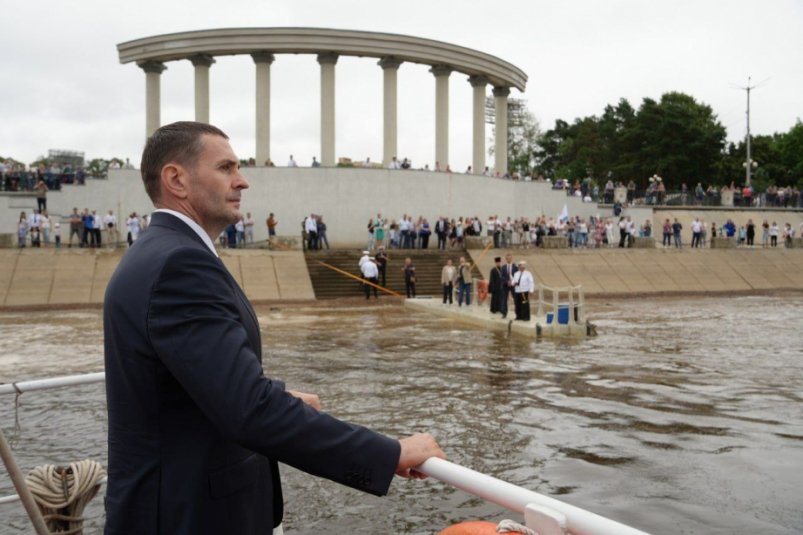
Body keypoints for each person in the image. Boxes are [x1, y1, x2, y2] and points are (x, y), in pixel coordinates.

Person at [103, 122, 443, 535]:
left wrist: (280, 394)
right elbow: (249, 410)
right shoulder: (181, 264)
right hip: (187, 516)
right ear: (176, 179)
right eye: (226, 168)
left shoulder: (158, 251)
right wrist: (391, 453)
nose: (242, 181)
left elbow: (184, 380)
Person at [500, 253, 517, 318]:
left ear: (511, 258)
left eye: (510, 258)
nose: (509, 259)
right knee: (504, 299)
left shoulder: (515, 267)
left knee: (516, 299)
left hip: (513, 285)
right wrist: (507, 282)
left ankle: (517, 313)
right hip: (505, 285)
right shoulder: (503, 267)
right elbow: (501, 276)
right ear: (506, 259)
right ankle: (504, 313)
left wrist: (512, 282)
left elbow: (516, 276)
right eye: (507, 258)